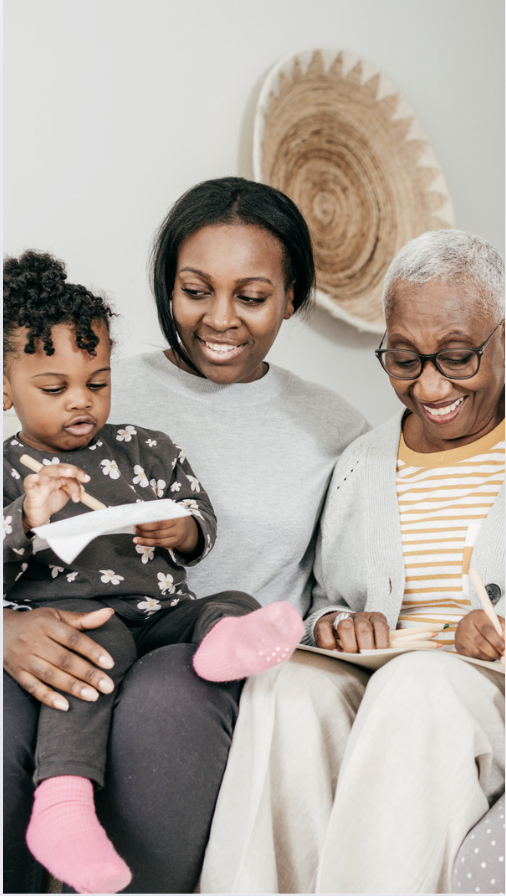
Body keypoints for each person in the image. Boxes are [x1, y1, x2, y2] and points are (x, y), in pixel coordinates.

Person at [4, 179, 368, 894]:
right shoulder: (88, 381)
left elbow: (337, 592)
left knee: (167, 700)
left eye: (253, 296)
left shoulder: (334, 428)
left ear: (292, 297)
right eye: (196, 290)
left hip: (200, 653)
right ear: (167, 287)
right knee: (29, 691)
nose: (219, 319)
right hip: (74, 622)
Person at [201, 230, 505, 895]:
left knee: (418, 686)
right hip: (387, 680)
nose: (429, 384)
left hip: (477, 694)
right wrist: (339, 622)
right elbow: (330, 597)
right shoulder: (360, 466)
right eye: (403, 359)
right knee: (285, 688)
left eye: (457, 357)